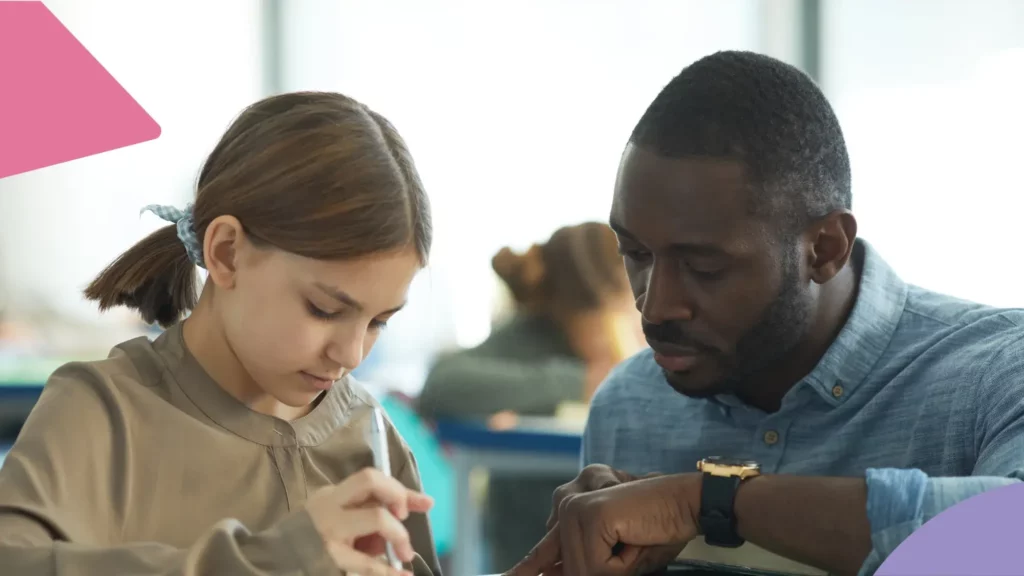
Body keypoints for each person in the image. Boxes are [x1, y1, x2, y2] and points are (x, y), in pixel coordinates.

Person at [507, 50, 1024, 576]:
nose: (655, 305)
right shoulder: (631, 404)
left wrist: (709, 502)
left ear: (824, 248)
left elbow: (1011, 535)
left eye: (705, 267)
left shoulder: (998, 373)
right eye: (636, 253)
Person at [0, 92, 443, 576]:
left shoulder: (369, 436)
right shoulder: (102, 414)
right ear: (227, 252)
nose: (352, 354)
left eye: (379, 321)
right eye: (324, 309)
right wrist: (268, 562)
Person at [418, 222, 642, 571]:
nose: (612, 333)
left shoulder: (651, 333)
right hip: (525, 542)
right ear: (566, 311)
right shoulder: (532, 336)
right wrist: (579, 381)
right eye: (598, 319)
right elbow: (441, 385)